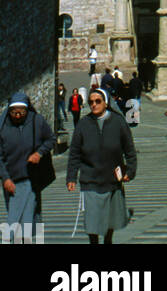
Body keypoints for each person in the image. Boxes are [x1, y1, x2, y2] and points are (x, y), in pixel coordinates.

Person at [66, 88, 136, 245]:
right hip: (90, 179)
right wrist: (71, 177)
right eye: (91, 102)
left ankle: (108, 240)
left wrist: (130, 171)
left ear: (105, 103)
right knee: (92, 219)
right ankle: (94, 242)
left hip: (112, 179)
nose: (94, 105)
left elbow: (129, 149)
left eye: (98, 101)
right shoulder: (83, 124)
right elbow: (75, 153)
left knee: (110, 217)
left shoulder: (118, 122)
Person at [0, 92, 55, 239]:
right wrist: (5, 178)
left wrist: (39, 153)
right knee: (15, 220)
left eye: (21, 112)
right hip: (12, 182)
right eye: (14, 112)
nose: (18, 115)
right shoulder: (3, 127)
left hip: (32, 179)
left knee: (29, 220)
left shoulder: (37, 121)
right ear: (9, 111)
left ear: (27, 109)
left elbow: (50, 139)